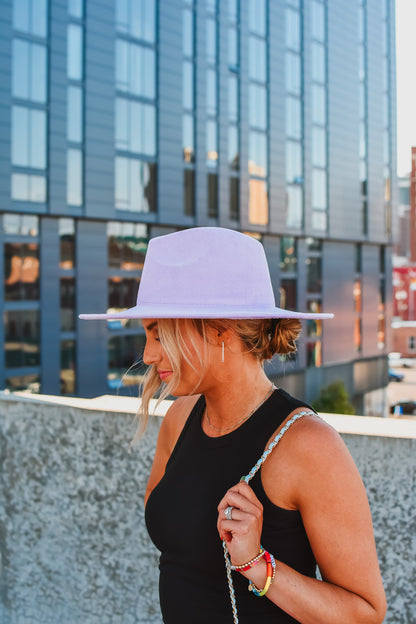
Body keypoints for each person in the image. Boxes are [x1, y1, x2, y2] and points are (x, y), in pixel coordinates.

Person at [80, 227, 386, 624]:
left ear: (221, 330)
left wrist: (257, 565)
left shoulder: (307, 444)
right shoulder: (180, 418)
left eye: (159, 333)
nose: (149, 354)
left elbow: (365, 614)